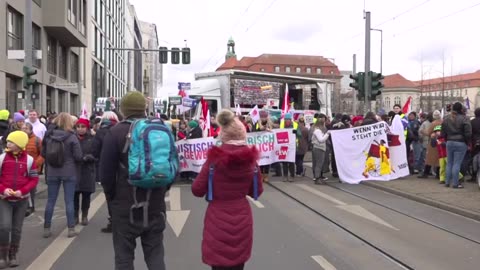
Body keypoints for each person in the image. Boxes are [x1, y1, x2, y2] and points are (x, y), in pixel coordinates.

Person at [100, 91, 168, 270]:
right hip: (154, 203)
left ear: (124, 110)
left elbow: (106, 174)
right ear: (144, 109)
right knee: (155, 255)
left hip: (125, 204)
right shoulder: (160, 129)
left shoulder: (115, 132)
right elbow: (171, 166)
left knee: (124, 257)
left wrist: (112, 198)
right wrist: (161, 190)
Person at [192, 109, 263, 270]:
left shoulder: (213, 160)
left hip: (217, 217)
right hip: (242, 216)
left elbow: (197, 190)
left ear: (223, 134)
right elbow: (257, 191)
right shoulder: (252, 162)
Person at [0, 131, 39, 268]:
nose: (7, 143)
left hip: (22, 200)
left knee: (16, 229)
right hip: (4, 199)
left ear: (19, 144)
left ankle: (13, 254)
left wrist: (22, 191)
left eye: (11, 141)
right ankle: (2, 255)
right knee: (4, 227)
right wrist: (3, 189)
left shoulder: (29, 160)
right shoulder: (2, 158)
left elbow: (34, 179)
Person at [42, 113, 83, 238]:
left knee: (50, 201)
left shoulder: (49, 136)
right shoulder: (72, 137)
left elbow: (43, 153)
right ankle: (71, 228)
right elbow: (78, 156)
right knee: (69, 201)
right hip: (69, 171)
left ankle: (47, 228)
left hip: (52, 171)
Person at [93, 111, 119, 233]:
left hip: (106, 168)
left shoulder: (100, 132)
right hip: (123, 168)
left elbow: (95, 150)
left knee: (110, 195)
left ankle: (113, 221)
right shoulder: (122, 130)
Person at [441, 102, 472, 188]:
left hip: (449, 142)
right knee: (457, 164)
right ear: (461, 109)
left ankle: (447, 182)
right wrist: (467, 142)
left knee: (449, 163)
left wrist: (447, 139)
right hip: (461, 142)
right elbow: (468, 133)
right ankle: (455, 183)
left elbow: (442, 133)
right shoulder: (465, 118)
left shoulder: (446, 118)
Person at [74, 118, 97, 226]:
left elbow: (96, 153)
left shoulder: (92, 139)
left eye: (83, 127)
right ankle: (74, 216)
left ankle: (84, 215)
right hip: (75, 170)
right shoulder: (72, 138)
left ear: (87, 128)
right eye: (78, 127)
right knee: (74, 195)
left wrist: (88, 157)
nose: (80, 129)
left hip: (88, 170)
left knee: (86, 195)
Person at [21, 122, 43, 216]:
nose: (24, 130)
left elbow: (42, 154)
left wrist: (35, 164)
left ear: (30, 130)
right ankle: (23, 207)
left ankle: (31, 206)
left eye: (26, 128)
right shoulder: (19, 139)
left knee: (31, 189)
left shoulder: (37, 140)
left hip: (33, 169)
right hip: (21, 169)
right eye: (22, 128)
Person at [311, 117, 330, 184]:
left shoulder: (318, 130)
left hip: (319, 148)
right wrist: (327, 134)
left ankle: (317, 177)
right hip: (319, 148)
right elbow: (321, 140)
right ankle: (317, 178)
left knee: (318, 164)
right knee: (319, 164)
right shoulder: (317, 131)